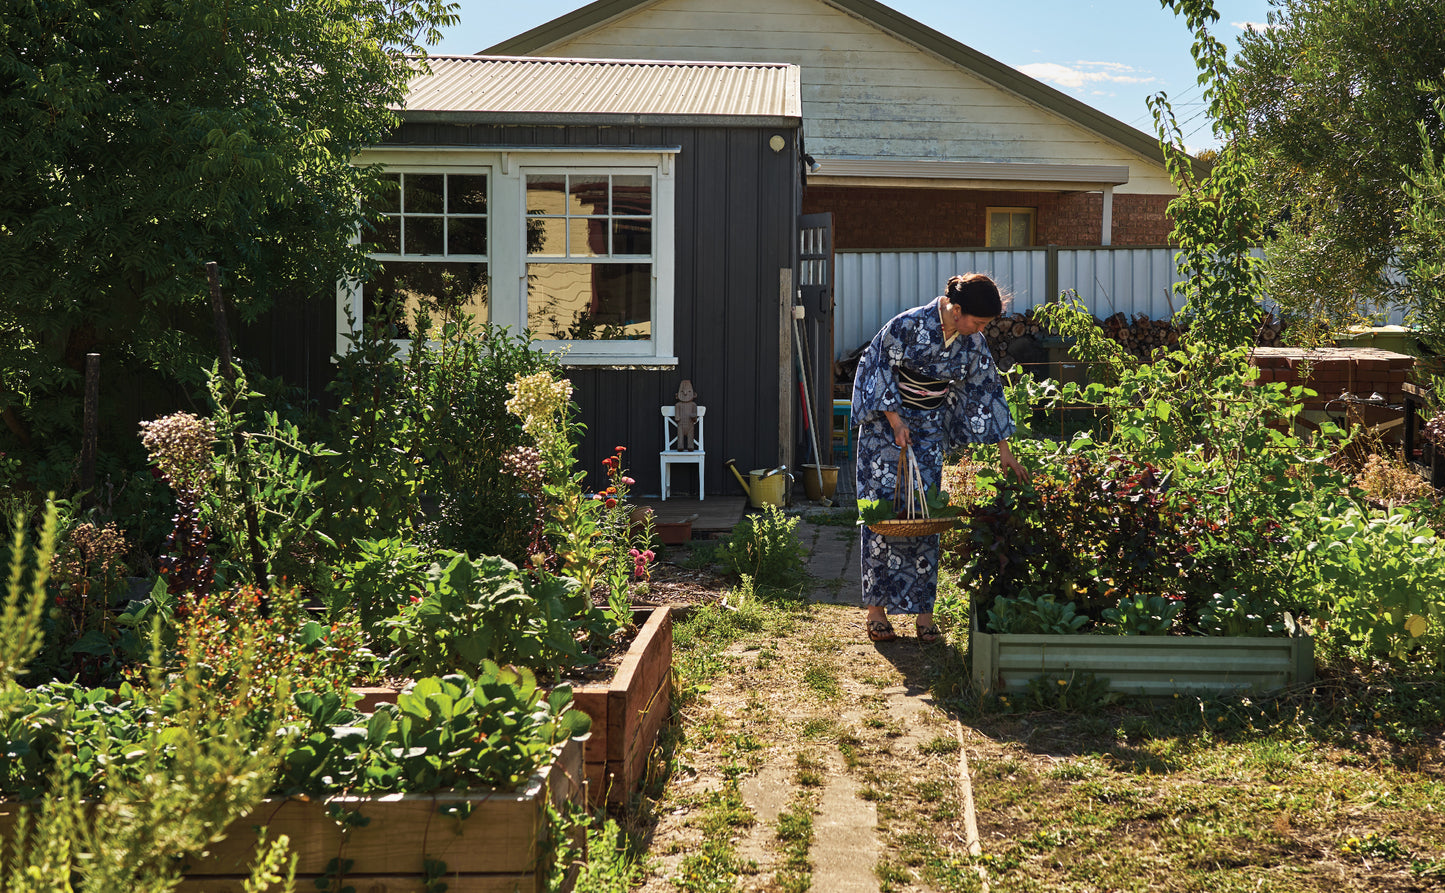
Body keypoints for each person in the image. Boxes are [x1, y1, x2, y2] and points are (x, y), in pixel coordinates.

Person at [850, 273, 1028, 643]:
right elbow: (877, 370)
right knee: (882, 515)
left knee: (925, 516)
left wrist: (1004, 452)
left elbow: (986, 390)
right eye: (977, 322)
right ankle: (877, 611)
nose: (979, 330)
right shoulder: (907, 325)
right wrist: (896, 422)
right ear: (956, 309)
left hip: (929, 430)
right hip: (885, 430)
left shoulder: (972, 342)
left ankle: (923, 614)